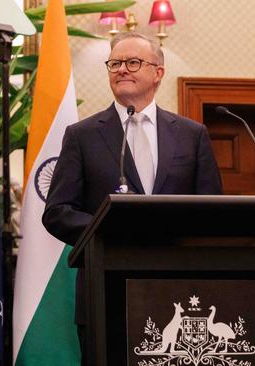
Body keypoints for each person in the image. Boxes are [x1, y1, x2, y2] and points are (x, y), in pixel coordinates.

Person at [41, 32, 222, 362]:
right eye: (115, 63)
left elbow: (212, 210)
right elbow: (57, 211)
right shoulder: (82, 136)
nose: (121, 69)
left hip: (179, 293)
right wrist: (108, 230)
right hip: (105, 292)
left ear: (158, 72)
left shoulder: (192, 135)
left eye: (133, 62)